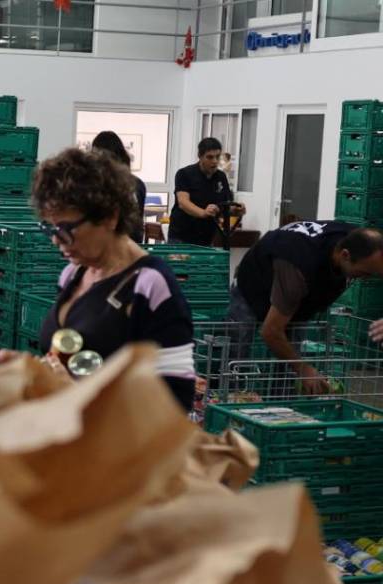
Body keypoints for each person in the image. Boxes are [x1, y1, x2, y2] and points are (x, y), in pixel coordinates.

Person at [13, 147, 197, 411]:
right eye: (49, 228)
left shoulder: (149, 286)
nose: (56, 239)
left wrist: (76, 393)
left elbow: (175, 403)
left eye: (65, 228)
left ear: (110, 217)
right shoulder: (73, 274)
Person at [230, 221, 383, 394]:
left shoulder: (359, 242)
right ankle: (232, 398)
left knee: (291, 357)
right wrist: (303, 369)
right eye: (364, 273)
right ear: (345, 255)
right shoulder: (298, 269)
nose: (366, 279)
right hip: (255, 282)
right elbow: (270, 331)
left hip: (303, 291)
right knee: (237, 346)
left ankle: (282, 403)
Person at [169, 136, 244, 246]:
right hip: (181, 237)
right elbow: (183, 203)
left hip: (207, 238)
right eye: (209, 157)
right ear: (200, 156)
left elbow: (225, 206)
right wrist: (203, 213)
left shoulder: (221, 177)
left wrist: (236, 210)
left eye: (217, 157)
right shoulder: (184, 174)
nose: (214, 161)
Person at [91, 131, 146, 244]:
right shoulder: (137, 184)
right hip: (130, 241)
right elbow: (137, 222)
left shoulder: (96, 183)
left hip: (105, 242)